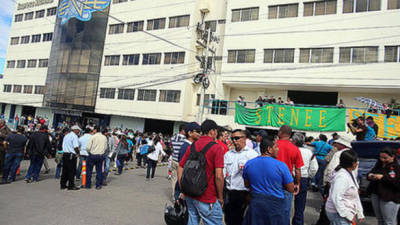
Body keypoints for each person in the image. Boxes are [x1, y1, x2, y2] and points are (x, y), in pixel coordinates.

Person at [178, 119, 224, 225]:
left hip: (190, 194)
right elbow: (219, 176)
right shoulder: (217, 148)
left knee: (193, 221)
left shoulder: (193, 145)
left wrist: (182, 187)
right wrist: (220, 197)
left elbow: (180, 166)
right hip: (207, 197)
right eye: (216, 131)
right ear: (212, 131)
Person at [242, 138, 294, 225]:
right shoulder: (281, 166)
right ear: (269, 149)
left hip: (256, 205)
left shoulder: (249, 164)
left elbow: (247, 184)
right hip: (275, 207)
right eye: (276, 147)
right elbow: (291, 188)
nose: (278, 149)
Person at [224, 129, 258, 225]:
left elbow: (255, 177)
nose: (234, 141)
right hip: (229, 192)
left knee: (239, 220)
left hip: (243, 193)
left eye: (237, 138)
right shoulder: (228, 155)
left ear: (244, 138)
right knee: (228, 219)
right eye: (232, 138)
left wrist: (251, 193)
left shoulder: (252, 155)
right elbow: (223, 173)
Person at [325, 150, 364, 225]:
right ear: (353, 163)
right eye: (357, 161)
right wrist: (348, 215)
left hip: (344, 212)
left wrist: (359, 212)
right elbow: (336, 197)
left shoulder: (349, 173)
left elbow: (355, 194)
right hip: (338, 213)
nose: (357, 163)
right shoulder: (342, 177)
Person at [276, 125, 304, 225]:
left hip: (272, 181)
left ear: (280, 132)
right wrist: (297, 184)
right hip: (287, 182)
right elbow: (297, 170)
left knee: (271, 210)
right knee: (285, 211)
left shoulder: (273, 146)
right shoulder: (295, 149)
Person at [367, 147, 400, 225]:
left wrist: (382, 177)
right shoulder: (379, 164)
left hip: (390, 197)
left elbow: (397, 182)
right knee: (380, 220)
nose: (382, 160)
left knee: (389, 221)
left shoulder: (396, 167)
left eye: (385, 158)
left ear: (392, 157)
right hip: (376, 194)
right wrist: (371, 175)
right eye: (381, 157)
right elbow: (370, 172)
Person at [291, 133, 318, 225]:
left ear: (294, 141)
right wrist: (308, 176)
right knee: (300, 205)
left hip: (290, 177)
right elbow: (314, 168)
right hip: (303, 178)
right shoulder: (309, 152)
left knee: (285, 202)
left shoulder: (291, 150)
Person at [174, 122, 201, 200]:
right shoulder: (186, 147)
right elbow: (182, 169)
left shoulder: (192, 146)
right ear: (190, 133)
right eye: (198, 132)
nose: (200, 134)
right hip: (183, 189)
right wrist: (183, 190)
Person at [60, 125, 81, 190]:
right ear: (75, 130)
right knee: (72, 171)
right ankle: (71, 185)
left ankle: (63, 184)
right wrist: (78, 153)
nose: (79, 132)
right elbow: (76, 147)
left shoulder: (66, 135)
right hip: (71, 155)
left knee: (65, 170)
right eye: (78, 130)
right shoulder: (74, 136)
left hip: (65, 154)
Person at [170, 124, 186, 200]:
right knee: (180, 179)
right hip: (181, 162)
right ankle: (179, 196)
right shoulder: (184, 140)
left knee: (174, 179)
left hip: (174, 160)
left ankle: (173, 196)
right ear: (183, 130)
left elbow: (172, 147)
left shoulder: (173, 138)